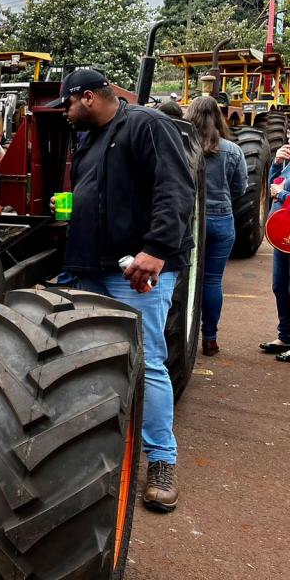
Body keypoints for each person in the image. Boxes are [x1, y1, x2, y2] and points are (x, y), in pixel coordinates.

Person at [49, 68, 195, 513]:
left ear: (88, 97)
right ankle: (91, 445)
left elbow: (177, 189)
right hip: (89, 268)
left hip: (135, 271)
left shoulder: (148, 126)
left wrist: (156, 249)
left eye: (69, 105)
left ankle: (162, 462)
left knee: (147, 359)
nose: (66, 114)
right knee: (81, 357)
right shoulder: (89, 139)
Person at [184, 96, 247, 355]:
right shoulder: (233, 150)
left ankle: (179, 336)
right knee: (212, 281)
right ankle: (209, 338)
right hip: (222, 221)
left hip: (188, 221)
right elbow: (240, 188)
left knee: (182, 280)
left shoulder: (183, 146)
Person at [263, 142, 290, 361]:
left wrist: (282, 195)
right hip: (283, 236)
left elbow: (279, 192)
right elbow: (274, 186)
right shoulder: (288, 161)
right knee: (280, 286)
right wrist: (276, 164)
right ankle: (285, 336)